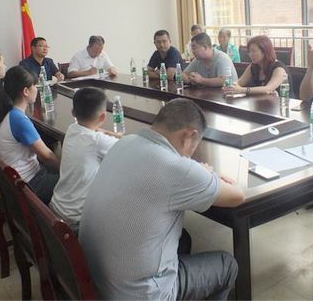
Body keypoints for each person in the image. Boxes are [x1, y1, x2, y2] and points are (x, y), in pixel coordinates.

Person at [80, 99, 245, 300]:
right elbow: (237, 196)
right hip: (138, 294)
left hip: (95, 278)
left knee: (183, 238)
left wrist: (194, 171)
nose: (189, 155)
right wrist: (213, 175)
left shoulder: (124, 142)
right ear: (189, 136)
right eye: (193, 147)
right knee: (227, 265)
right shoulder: (177, 169)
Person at [49, 88, 120, 234]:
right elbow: (129, 145)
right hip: (76, 222)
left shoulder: (72, 129)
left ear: (73, 113)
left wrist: (107, 133)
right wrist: (116, 135)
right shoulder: (97, 141)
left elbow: (95, 133)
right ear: (103, 117)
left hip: (55, 208)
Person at [0, 65, 60, 203]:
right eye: (35, 85)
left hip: (17, 180)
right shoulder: (18, 119)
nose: (37, 88)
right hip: (29, 184)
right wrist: (66, 171)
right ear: (26, 91)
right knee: (75, 182)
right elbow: (46, 157)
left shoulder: (9, 112)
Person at [222, 35, 288, 96]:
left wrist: (241, 90)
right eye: (249, 52)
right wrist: (230, 87)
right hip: (260, 102)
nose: (250, 54)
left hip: (282, 103)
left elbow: (267, 89)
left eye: (253, 51)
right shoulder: (253, 66)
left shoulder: (279, 68)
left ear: (264, 51)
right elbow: (239, 83)